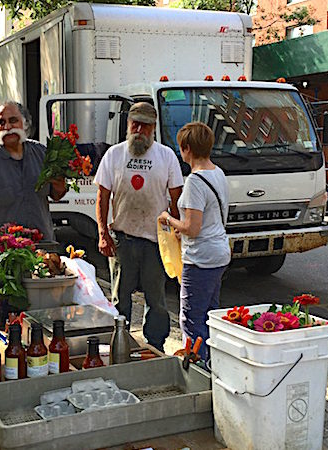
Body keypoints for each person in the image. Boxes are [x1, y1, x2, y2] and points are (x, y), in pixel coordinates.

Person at [95, 102, 184, 351]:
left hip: (156, 241)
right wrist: (103, 234)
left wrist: (176, 233)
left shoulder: (166, 156)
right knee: (120, 298)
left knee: (156, 300)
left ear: (153, 128)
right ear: (128, 125)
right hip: (123, 239)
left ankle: (155, 346)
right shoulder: (114, 154)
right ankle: (119, 344)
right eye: (135, 124)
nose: (139, 130)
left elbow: (176, 198)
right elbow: (102, 197)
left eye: (145, 126)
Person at [159, 122, 231, 361]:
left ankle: (198, 368)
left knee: (191, 318)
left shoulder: (194, 182)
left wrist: (169, 219)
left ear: (187, 148)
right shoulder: (218, 173)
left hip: (201, 256)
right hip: (219, 251)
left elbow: (192, 227)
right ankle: (213, 363)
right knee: (210, 314)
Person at [0, 102, 66, 240]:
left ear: (25, 123)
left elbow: (57, 194)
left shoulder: (42, 154)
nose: (7, 127)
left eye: (13, 120)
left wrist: (60, 184)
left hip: (43, 245)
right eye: (1, 122)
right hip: (5, 250)